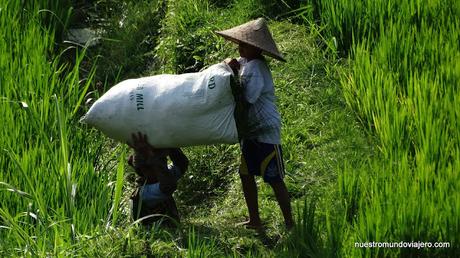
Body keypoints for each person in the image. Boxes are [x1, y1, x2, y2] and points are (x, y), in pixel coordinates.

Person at [216, 18, 294, 230]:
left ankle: (290, 223)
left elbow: (248, 98)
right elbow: (231, 64)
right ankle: (255, 220)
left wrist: (231, 76)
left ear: (257, 49)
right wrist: (228, 63)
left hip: (265, 132)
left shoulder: (257, 67)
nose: (239, 47)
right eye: (239, 44)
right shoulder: (246, 63)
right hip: (252, 132)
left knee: (274, 178)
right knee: (245, 174)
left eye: (244, 44)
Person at [128, 132, 188, 226]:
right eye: (161, 163)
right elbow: (168, 186)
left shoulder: (163, 176)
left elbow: (181, 164)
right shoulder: (143, 193)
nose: (164, 166)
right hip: (154, 239)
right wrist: (154, 158)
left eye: (164, 161)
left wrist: (169, 145)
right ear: (145, 171)